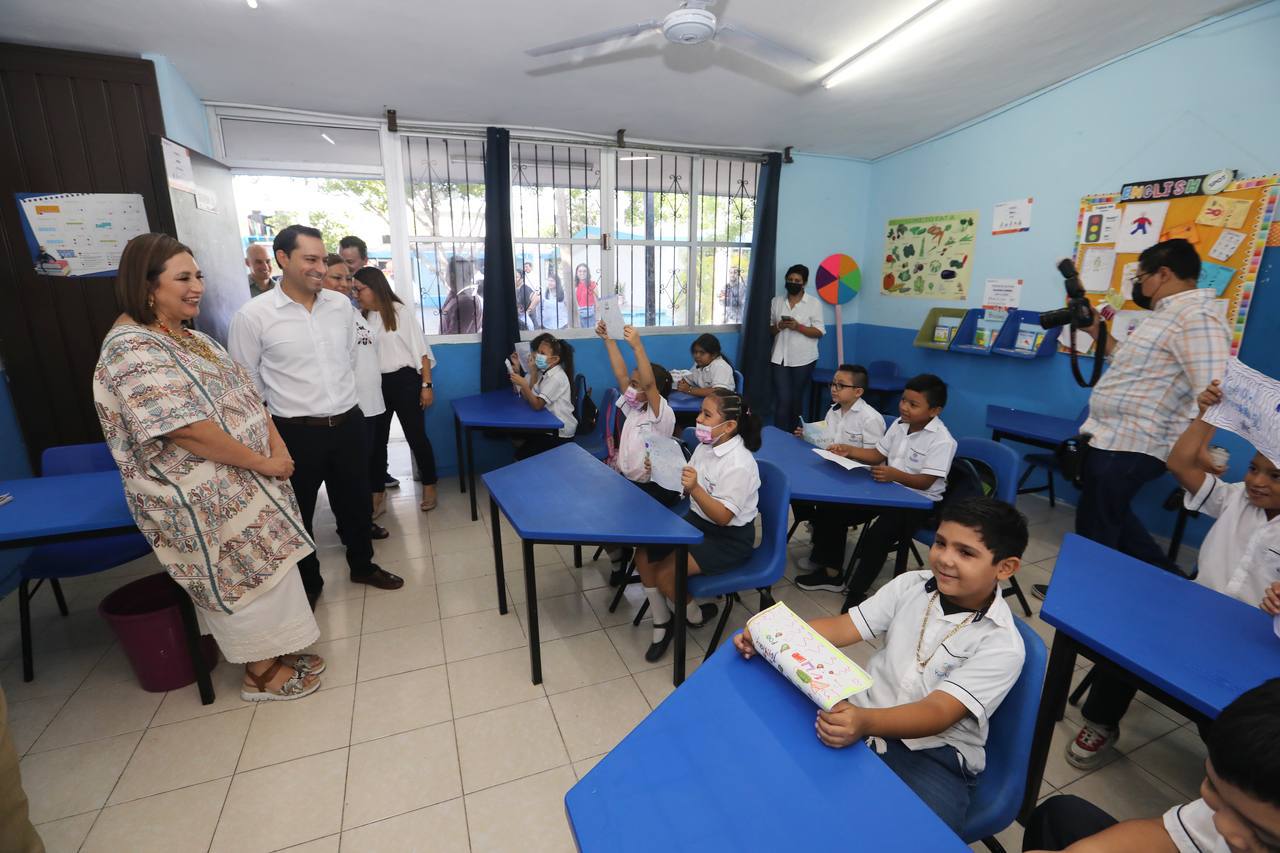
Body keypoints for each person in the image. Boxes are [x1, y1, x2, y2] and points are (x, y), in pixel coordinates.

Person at [96, 232, 324, 701]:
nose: (197, 286)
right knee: (242, 580)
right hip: (206, 500)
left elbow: (248, 395)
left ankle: (278, 651)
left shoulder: (191, 337)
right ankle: (259, 673)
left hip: (252, 480)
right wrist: (264, 462)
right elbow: (186, 430)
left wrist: (276, 450)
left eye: (198, 275)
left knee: (273, 575)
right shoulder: (130, 349)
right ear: (147, 286)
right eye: (183, 278)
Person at [735, 496, 1029, 834]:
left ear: (1005, 568)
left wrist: (864, 722)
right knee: (790, 784)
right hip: (865, 711)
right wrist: (771, 635)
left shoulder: (1002, 645)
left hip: (934, 752)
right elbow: (844, 627)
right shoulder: (911, 585)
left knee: (903, 833)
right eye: (941, 543)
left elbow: (938, 712)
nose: (945, 559)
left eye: (966, 553)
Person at [1064, 378, 1280, 769]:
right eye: (1253, 468)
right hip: (1196, 611)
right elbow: (1180, 463)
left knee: (1232, 720)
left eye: (1274, 475)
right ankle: (1100, 722)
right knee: (1126, 646)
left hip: (1255, 639)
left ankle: (1230, 769)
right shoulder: (1234, 498)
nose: (1256, 481)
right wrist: (1207, 414)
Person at [1034, 238, 1230, 600]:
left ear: (1163, 274)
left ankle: (1080, 599)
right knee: (1111, 519)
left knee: (1099, 526)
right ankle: (1175, 589)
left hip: (1134, 443)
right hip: (1112, 439)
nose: (1138, 286)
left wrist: (1199, 451)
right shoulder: (1167, 317)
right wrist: (1096, 330)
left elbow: (1216, 390)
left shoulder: (1197, 318)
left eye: (1140, 277)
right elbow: (1127, 361)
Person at [229, 224, 403, 607]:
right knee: (299, 511)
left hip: (347, 423)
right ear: (283, 259)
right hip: (294, 432)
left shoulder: (340, 307)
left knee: (355, 503)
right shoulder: (254, 316)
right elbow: (246, 384)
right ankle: (309, 583)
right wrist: (271, 437)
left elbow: (350, 359)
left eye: (323, 259)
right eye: (310, 259)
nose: (321, 268)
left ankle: (363, 565)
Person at [1023, 678, 1280, 853]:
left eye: (1264, 837)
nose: (1222, 827)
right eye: (1213, 787)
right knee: (1062, 815)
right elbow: (1172, 834)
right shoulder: (1241, 805)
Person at [798, 374, 956, 601]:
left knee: (878, 536)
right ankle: (831, 573)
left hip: (918, 502)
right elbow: (876, 454)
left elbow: (926, 482)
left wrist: (894, 474)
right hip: (887, 491)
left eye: (913, 404)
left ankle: (857, 593)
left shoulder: (942, 440)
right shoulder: (900, 425)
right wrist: (849, 450)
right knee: (833, 507)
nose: (904, 407)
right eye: (903, 400)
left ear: (935, 410)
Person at [637, 388, 762, 662]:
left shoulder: (740, 464)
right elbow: (684, 484)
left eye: (707, 414)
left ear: (729, 426)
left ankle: (694, 616)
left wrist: (695, 488)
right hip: (697, 521)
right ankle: (662, 620)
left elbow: (723, 517)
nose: (698, 419)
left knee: (666, 576)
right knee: (644, 554)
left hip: (728, 538)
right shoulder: (707, 447)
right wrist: (658, 468)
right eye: (700, 413)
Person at [355, 266, 441, 513]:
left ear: (375, 287)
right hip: (376, 384)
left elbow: (421, 352)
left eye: (360, 289)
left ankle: (429, 485)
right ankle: (377, 492)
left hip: (404, 381)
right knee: (377, 441)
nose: (356, 295)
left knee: (416, 436)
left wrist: (426, 386)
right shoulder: (362, 317)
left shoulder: (400, 312)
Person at [598, 321, 679, 580]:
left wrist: (637, 347)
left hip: (653, 488)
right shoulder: (635, 407)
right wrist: (609, 340)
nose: (630, 388)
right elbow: (621, 375)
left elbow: (650, 385)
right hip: (629, 483)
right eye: (632, 384)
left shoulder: (661, 414)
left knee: (611, 517)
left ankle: (630, 554)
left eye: (637, 384)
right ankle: (618, 557)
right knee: (595, 512)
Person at [325, 256, 388, 536]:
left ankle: (361, 523)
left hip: (372, 402)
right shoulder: (324, 317)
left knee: (365, 466)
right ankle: (354, 526)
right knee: (350, 473)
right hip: (351, 407)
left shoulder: (353, 312)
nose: (345, 284)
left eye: (348, 278)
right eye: (336, 278)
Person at [769, 263, 826, 429]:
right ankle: (779, 436)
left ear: (804, 283)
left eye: (797, 280)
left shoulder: (813, 303)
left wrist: (798, 327)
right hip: (779, 357)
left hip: (804, 358)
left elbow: (819, 332)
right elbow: (770, 330)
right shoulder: (776, 301)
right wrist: (779, 326)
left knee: (796, 398)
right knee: (783, 399)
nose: (793, 283)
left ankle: (795, 434)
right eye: (790, 279)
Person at [509, 335, 577, 458]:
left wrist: (524, 385)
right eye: (537, 351)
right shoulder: (543, 373)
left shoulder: (556, 378)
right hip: (547, 425)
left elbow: (537, 405)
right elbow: (528, 397)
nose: (536, 355)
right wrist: (519, 375)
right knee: (517, 439)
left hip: (559, 432)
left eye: (542, 353)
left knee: (519, 456)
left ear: (554, 359)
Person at [677, 333, 735, 397]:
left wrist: (689, 390)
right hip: (706, 399)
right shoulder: (699, 364)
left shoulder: (720, 366)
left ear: (714, 354)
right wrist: (680, 383)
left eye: (702, 353)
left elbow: (718, 392)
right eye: (695, 352)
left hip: (722, 401)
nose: (697, 356)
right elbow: (687, 380)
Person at [440, 256, 483, 334]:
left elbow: (455, 337)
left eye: (445, 273)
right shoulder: (456, 296)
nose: (444, 276)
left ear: (452, 276)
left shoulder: (467, 302)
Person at [574, 263, 599, 327]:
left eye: (584, 271)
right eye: (580, 271)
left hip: (591, 316)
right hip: (578, 315)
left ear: (588, 273)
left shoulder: (592, 284)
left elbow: (597, 303)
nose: (582, 273)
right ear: (576, 273)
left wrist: (597, 319)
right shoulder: (574, 286)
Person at [515, 265, 536, 331]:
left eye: (516, 277)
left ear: (522, 278)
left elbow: (537, 298)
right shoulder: (515, 287)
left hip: (522, 318)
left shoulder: (525, 288)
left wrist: (528, 311)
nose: (514, 279)